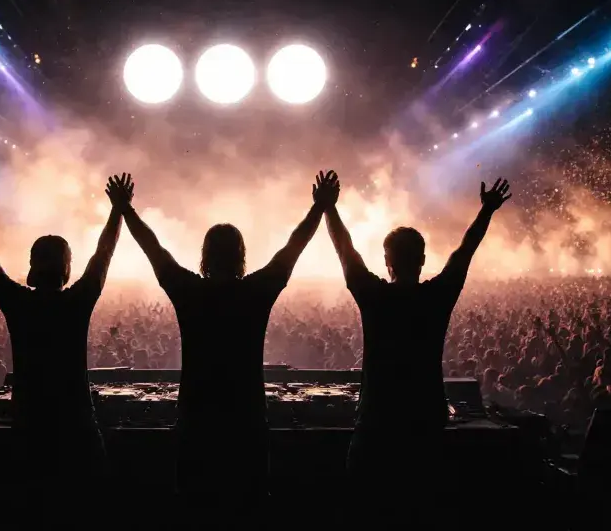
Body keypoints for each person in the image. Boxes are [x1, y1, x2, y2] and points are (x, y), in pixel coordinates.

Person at [106, 171, 340, 519]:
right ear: (241, 256)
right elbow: (292, 249)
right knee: (248, 506)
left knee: (195, 506)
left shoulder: (189, 291)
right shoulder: (255, 292)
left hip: (197, 420)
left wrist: (125, 209)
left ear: (205, 256)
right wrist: (320, 207)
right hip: (246, 421)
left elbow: (155, 250)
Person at [0, 181, 129, 520]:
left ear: (33, 265)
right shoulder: (77, 301)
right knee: (88, 510)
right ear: (66, 268)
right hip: (76, 426)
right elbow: (103, 255)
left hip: (30, 426)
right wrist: (117, 210)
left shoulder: (17, 302)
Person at [323, 178, 512, 523]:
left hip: (377, 421)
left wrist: (329, 208)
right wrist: (486, 209)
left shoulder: (375, 297)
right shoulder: (437, 297)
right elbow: (464, 252)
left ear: (387, 261)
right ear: (423, 259)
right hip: (424, 422)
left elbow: (345, 252)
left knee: (367, 509)